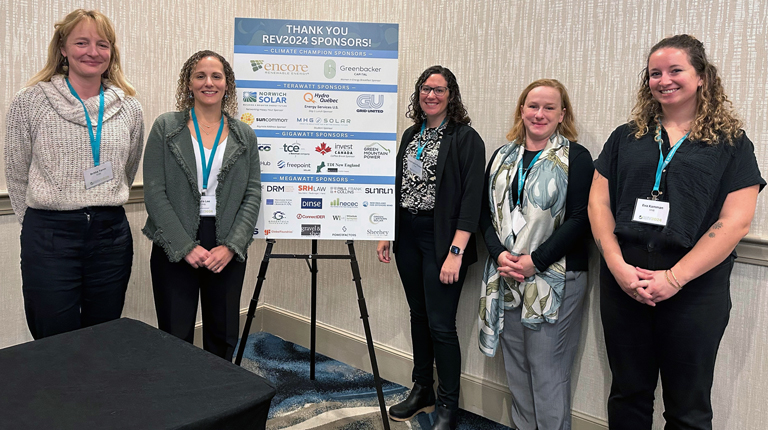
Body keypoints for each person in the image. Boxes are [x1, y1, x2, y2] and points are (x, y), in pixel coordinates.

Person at [589, 34, 764, 429]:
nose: (663, 80)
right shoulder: (625, 137)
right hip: (625, 281)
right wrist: (617, 266)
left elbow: (736, 220)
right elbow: (598, 204)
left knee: (688, 408)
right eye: (654, 73)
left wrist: (674, 277)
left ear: (701, 76)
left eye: (675, 70)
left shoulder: (731, 144)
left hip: (694, 289)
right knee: (627, 396)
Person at [4, 9, 144, 339]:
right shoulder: (31, 101)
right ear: (63, 48)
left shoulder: (129, 107)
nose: (92, 52)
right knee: (53, 336)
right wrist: (37, 226)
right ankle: (55, 393)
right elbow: (16, 170)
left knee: (103, 331)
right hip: (50, 235)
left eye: (102, 44)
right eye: (81, 42)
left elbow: (128, 166)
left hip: (110, 235)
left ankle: (96, 391)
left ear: (112, 52)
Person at [477, 79, 593, 430]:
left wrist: (535, 262)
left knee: (547, 369)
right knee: (516, 365)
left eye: (549, 108)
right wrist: (499, 255)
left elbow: (580, 219)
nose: (539, 114)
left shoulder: (576, 157)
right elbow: (484, 214)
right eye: (532, 106)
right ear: (522, 111)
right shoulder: (502, 157)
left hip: (555, 278)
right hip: (507, 274)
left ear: (562, 114)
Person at [377, 65, 485, 430]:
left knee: (441, 325)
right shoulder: (412, 135)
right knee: (418, 316)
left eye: (439, 90)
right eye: (426, 89)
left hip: (442, 240)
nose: (431, 95)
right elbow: (397, 187)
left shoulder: (466, 138)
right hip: (407, 234)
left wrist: (456, 252)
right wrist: (386, 232)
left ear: (450, 95)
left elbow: (472, 201)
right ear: (418, 94)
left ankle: (447, 405)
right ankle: (422, 387)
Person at [142, 50, 261, 361]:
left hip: (225, 243)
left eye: (216, 76)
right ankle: (179, 401)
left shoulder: (243, 134)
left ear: (227, 84)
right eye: (200, 76)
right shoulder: (166, 127)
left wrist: (232, 246)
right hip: (175, 238)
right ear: (189, 83)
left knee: (222, 334)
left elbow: (252, 193)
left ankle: (219, 402)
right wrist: (184, 246)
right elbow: (154, 192)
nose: (209, 82)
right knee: (175, 330)